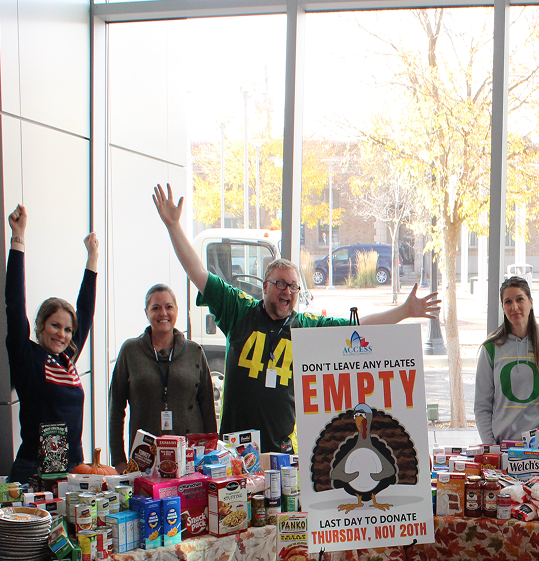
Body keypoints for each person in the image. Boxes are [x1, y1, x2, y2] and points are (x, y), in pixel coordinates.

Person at [152, 184, 440, 451]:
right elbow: (199, 274)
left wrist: (405, 312)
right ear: (264, 287)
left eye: (292, 286)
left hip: (281, 453)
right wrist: (174, 226)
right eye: (279, 283)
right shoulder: (239, 312)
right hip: (235, 451)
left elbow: (358, 327)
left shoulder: (306, 327)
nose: (286, 291)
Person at [4, 205, 98, 481]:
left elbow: (86, 311)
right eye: (55, 325)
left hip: (71, 468)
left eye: (68, 329)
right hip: (34, 470)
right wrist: (18, 237)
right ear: (40, 326)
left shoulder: (67, 359)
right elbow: (13, 303)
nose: (62, 335)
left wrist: (92, 257)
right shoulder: (27, 356)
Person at [108, 284, 216, 465]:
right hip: (144, 458)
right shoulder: (130, 351)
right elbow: (116, 408)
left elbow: (207, 407)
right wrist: (119, 460)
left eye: (168, 307)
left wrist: (211, 456)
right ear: (146, 312)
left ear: (176, 310)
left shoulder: (194, 351)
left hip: (190, 458)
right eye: (155, 308)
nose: (163, 313)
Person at [474, 275, 539, 444]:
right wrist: (490, 444)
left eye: (520, 299)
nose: (514, 307)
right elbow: (482, 405)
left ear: (530, 303)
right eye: (508, 302)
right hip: (501, 446)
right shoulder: (490, 349)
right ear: (503, 307)